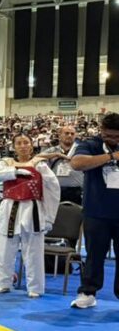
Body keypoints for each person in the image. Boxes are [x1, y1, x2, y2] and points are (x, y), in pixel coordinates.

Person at [0, 134, 60, 297]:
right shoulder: (6, 163)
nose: (23, 145)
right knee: (4, 247)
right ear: (14, 146)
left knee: (33, 250)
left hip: (32, 207)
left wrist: (49, 217)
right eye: (19, 143)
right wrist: (15, 172)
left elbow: (53, 189)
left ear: (31, 145)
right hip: (10, 206)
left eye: (26, 142)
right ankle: (2, 282)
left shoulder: (39, 164)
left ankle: (35, 287)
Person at [70, 113, 119, 309]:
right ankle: (88, 292)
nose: (113, 140)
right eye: (109, 136)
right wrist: (111, 156)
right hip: (96, 211)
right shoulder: (90, 144)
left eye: (117, 136)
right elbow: (77, 163)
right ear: (101, 130)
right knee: (94, 255)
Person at [41, 125, 83, 205]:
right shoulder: (52, 151)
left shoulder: (82, 150)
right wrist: (56, 155)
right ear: (59, 135)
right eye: (66, 133)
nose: (69, 135)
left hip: (77, 191)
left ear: (75, 136)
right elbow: (36, 159)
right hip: (55, 190)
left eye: (72, 134)